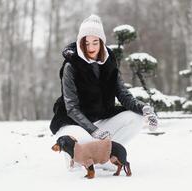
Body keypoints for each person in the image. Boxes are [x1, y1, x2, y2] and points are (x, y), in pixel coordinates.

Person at [49, 14, 158, 170]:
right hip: (72, 122)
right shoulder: (71, 66)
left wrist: (145, 109)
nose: (91, 48)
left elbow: (123, 95)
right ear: (81, 43)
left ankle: (104, 156)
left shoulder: (109, 62)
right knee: (83, 142)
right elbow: (71, 108)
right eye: (86, 43)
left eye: (95, 42)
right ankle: (76, 157)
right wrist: (94, 131)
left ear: (101, 42)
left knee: (135, 117)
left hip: (100, 119)